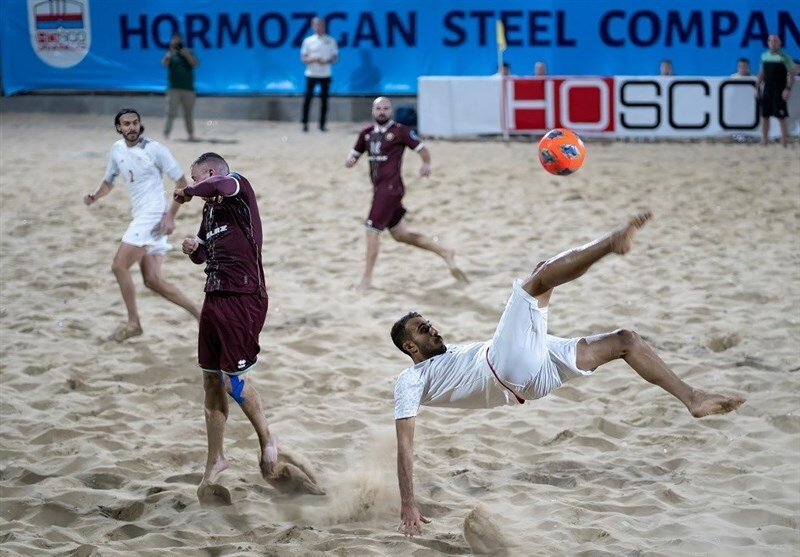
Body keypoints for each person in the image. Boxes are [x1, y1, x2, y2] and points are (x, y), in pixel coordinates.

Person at [390, 212, 745, 537]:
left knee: (625, 341)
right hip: (503, 366)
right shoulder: (411, 380)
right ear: (410, 348)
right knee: (540, 278)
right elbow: (405, 445)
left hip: (533, 378)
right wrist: (409, 503)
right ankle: (612, 242)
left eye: (430, 324)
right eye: (423, 330)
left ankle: (692, 398)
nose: (433, 329)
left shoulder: (447, 356)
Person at [174, 152, 279, 497]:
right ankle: (216, 458)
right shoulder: (210, 209)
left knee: (234, 382)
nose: (195, 185)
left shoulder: (237, 186)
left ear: (208, 173)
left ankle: (267, 440)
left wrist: (189, 191)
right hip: (214, 295)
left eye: (197, 178)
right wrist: (193, 249)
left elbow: (219, 184)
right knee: (209, 378)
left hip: (243, 296)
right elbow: (204, 253)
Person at [84, 108, 200, 342]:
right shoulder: (117, 150)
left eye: (135, 123)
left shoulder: (155, 149)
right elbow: (109, 181)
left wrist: (170, 216)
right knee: (153, 281)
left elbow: (182, 182)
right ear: (118, 127)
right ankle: (202, 316)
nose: (131, 128)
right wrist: (96, 195)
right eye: (126, 124)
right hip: (142, 217)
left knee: (119, 266)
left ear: (140, 124)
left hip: (152, 216)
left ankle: (133, 322)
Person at [345, 97, 467, 290]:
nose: (382, 112)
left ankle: (366, 279)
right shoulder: (366, 134)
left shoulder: (400, 131)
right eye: (378, 109)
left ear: (391, 111)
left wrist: (426, 164)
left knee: (371, 231)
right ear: (373, 111)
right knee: (401, 234)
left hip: (391, 189)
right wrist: (350, 160)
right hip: (379, 189)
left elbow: (422, 149)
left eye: (386, 108)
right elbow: (354, 153)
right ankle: (445, 252)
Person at [755, 35, 795, 147]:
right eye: (771, 41)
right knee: (765, 116)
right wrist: (757, 88)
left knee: (781, 117)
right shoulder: (764, 56)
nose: (773, 43)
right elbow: (761, 73)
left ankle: (784, 142)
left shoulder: (785, 57)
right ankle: (764, 141)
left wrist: (787, 89)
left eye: (775, 41)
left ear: (779, 43)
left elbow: (792, 74)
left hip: (779, 90)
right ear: (768, 43)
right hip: (767, 90)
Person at [300, 17, 338, 132]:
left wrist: (326, 61)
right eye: (316, 25)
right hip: (311, 74)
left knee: (324, 100)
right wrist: (312, 59)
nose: (318, 27)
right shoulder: (308, 41)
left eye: (321, 25)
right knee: (308, 99)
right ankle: (305, 124)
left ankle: (322, 125)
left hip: (325, 74)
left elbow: (335, 57)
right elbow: (303, 57)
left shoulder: (331, 41)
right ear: (312, 26)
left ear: (324, 26)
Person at [162, 32, 199, 141]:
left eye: (178, 40)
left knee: (188, 113)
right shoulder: (170, 54)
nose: (177, 43)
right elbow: (164, 63)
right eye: (175, 40)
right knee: (170, 112)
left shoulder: (189, 52)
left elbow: (195, 64)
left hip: (188, 89)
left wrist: (186, 54)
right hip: (174, 89)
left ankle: (191, 134)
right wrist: (170, 52)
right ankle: (166, 134)